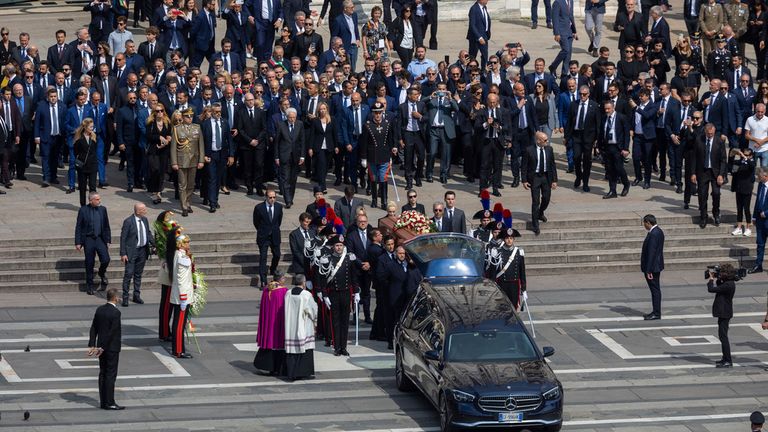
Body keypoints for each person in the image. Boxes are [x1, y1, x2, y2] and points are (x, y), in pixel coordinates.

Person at [319, 234, 359, 356]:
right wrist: (325, 295)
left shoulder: (349, 258)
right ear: (333, 247)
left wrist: (356, 292)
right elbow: (323, 279)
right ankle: (337, 347)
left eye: (341, 245)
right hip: (334, 294)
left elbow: (354, 276)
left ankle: (344, 347)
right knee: (335, 321)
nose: (339, 248)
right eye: (337, 245)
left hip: (346, 293)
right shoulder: (327, 259)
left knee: (345, 321)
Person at [87, 287, 124, 410]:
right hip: (111, 348)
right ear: (115, 298)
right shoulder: (116, 313)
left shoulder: (100, 310)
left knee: (102, 373)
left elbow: (94, 328)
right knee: (110, 375)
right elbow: (112, 332)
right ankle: (110, 402)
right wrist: (102, 347)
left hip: (101, 347)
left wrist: (93, 344)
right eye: (118, 297)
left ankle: (103, 401)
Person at [381, 245, 421, 349]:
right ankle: (391, 341)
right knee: (394, 320)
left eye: (403, 253)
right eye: (400, 253)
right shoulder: (390, 265)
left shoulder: (410, 266)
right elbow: (383, 279)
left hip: (408, 298)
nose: (402, 255)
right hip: (395, 297)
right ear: (396, 254)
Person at [359, 102, 397, 209]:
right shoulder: (367, 125)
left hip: (384, 156)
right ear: (373, 113)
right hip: (372, 157)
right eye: (376, 113)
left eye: (380, 112)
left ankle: (384, 201)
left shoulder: (387, 124)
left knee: (383, 179)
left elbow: (390, 139)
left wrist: (392, 150)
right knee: (373, 179)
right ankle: (374, 200)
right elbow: (364, 143)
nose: (378, 115)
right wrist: (363, 157)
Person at [692, 123, 728, 228]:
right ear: (705, 132)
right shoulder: (699, 140)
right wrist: (693, 173)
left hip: (715, 172)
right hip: (702, 172)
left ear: (714, 131)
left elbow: (723, 160)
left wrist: (721, 175)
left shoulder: (719, 141)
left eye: (712, 133)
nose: (710, 135)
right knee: (702, 195)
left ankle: (716, 213)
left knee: (716, 193)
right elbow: (694, 157)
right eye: (708, 134)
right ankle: (703, 216)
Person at [171, 108, 205, 217]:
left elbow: (201, 145)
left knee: (191, 184)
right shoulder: (177, 129)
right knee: (182, 185)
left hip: (193, 160)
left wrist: (201, 160)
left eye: (191, 116)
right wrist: (174, 162)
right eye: (187, 116)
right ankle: (184, 206)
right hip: (181, 160)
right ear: (183, 117)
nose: (189, 118)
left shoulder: (197, 128)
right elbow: (173, 147)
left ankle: (188, 202)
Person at [75, 193, 111, 296]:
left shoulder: (103, 209)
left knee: (106, 259)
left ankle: (101, 272)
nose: (99, 201)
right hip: (88, 238)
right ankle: (89, 285)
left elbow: (106, 226)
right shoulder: (83, 210)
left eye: (99, 199)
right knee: (89, 262)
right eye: (97, 199)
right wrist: (78, 242)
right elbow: (78, 226)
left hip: (100, 238)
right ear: (91, 201)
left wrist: (108, 239)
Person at [119, 202, 154, 307]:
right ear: (138, 211)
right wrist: (123, 253)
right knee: (128, 274)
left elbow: (148, 233)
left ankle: (136, 295)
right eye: (144, 209)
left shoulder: (145, 220)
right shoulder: (128, 221)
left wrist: (155, 244)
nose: (146, 211)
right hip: (131, 252)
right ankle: (125, 297)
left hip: (142, 251)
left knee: (138, 274)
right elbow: (123, 238)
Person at [522, 132, 557, 235]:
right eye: (545, 140)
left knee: (546, 198)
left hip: (546, 177)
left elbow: (552, 165)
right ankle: (535, 225)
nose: (547, 141)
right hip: (535, 177)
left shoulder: (549, 149)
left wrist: (554, 180)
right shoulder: (529, 150)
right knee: (535, 201)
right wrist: (524, 180)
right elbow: (524, 166)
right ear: (538, 141)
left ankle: (540, 213)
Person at [284, 273, 317, 380]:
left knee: (292, 350)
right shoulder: (306, 295)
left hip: (290, 327)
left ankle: (291, 373)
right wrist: (315, 321)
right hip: (303, 326)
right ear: (303, 283)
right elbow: (312, 311)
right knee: (304, 348)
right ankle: (303, 372)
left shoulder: (288, 293)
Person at [254, 271, 289, 374]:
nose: (285, 280)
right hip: (278, 323)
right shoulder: (283, 291)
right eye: (284, 278)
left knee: (269, 341)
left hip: (268, 322)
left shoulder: (266, 289)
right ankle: (278, 367)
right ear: (280, 279)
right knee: (278, 343)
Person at [567, 85, 599, 192]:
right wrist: (567, 136)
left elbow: (597, 123)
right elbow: (569, 121)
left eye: (584, 94)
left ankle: (585, 182)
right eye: (580, 94)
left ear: (588, 94)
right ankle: (578, 176)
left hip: (588, 137)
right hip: (576, 135)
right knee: (576, 157)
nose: (582, 96)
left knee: (586, 160)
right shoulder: (573, 104)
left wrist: (597, 139)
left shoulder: (594, 106)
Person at [486, 228, 526, 309]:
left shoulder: (519, 252)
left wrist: (524, 288)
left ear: (514, 239)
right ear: (504, 239)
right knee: (501, 307)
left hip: (514, 285)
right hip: (501, 284)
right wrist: (492, 286)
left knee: (513, 307)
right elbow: (493, 271)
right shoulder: (497, 252)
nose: (509, 240)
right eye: (507, 238)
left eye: (511, 238)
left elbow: (522, 271)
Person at [153, 210, 177, 342]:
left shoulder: (171, 228)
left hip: (172, 270)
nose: (170, 220)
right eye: (167, 218)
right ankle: (164, 332)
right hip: (168, 272)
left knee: (170, 305)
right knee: (166, 305)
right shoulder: (162, 232)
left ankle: (166, 331)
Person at [599, 99, 631, 198]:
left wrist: (626, 148)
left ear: (613, 108)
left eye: (608, 109)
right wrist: (599, 147)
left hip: (618, 147)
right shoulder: (604, 118)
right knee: (610, 169)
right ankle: (612, 190)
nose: (607, 111)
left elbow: (626, 134)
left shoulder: (621, 118)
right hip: (607, 146)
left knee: (619, 168)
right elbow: (601, 132)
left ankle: (626, 183)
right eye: (605, 109)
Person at [707, 262, 736, 368]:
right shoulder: (728, 282)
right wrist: (718, 278)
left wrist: (711, 279)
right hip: (724, 312)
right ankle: (725, 358)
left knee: (723, 337)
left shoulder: (728, 285)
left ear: (726, 274)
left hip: (725, 312)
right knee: (722, 336)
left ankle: (728, 360)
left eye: (722, 272)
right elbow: (719, 284)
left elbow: (711, 289)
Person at [170, 232, 195, 358]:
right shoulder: (182, 257)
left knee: (177, 323)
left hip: (179, 295)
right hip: (182, 297)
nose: (188, 244)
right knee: (179, 324)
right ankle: (179, 350)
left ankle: (177, 348)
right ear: (180, 244)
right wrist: (184, 297)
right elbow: (181, 279)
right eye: (186, 242)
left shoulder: (179, 254)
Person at [275, 107, 305, 208]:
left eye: (294, 117)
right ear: (287, 117)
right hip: (284, 156)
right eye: (290, 117)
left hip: (296, 156)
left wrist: (302, 156)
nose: (292, 119)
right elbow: (276, 142)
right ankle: (287, 200)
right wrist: (277, 157)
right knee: (285, 179)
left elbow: (302, 141)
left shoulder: (300, 124)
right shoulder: (281, 125)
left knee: (293, 179)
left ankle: (290, 198)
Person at [253, 187, 283, 288]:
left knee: (277, 255)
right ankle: (263, 280)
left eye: (274, 197)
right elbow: (256, 222)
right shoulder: (259, 208)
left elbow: (279, 221)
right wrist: (263, 230)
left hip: (275, 235)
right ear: (266, 197)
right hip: (263, 236)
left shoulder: (279, 207)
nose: (272, 199)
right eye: (270, 197)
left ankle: (273, 269)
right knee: (263, 257)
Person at [145, 104, 172, 205]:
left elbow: (169, 134)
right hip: (153, 150)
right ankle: (154, 189)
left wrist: (168, 139)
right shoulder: (150, 123)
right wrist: (159, 137)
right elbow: (148, 136)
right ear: (154, 113)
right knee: (154, 169)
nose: (160, 112)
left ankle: (158, 191)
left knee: (162, 171)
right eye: (157, 111)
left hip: (164, 150)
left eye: (161, 110)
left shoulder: (167, 122)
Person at [641, 214, 664, 320]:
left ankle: (656, 313)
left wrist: (648, 270)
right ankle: (656, 311)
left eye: (644, 223)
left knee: (655, 290)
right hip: (656, 266)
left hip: (653, 267)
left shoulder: (654, 234)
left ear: (648, 222)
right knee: (655, 290)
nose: (644, 225)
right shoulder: (658, 231)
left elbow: (651, 253)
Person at [73, 118, 99, 207]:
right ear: (85, 127)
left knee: (93, 187)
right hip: (82, 166)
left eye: (93, 126)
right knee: (82, 188)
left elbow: (95, 150)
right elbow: (75, 151)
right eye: (91, 127)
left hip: (92, 165)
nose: (92, 128)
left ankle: (93, 205)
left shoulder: (94, 137)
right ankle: (83, 206)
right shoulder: (79, 138)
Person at [730, 148, 756, 236]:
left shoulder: (751, 162)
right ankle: (739, 227)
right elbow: (732, 169)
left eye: (747, 154)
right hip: (739, 188)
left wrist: (745, 157)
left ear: (751, 156)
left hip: (747, 188)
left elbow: (752, 166)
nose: (744, 155)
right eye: (744, 154)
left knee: (746, 209)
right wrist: (732, 156)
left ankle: (748, 227)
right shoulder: (739, 162)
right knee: (739, 208)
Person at [550, 0, 577, 77]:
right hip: (561, 31)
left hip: (569, 31)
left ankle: (564, 73)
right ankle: (553, 66)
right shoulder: (557, 2)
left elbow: (571, 16)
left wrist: (574, 31)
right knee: (566, 50)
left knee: (568, 54)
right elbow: (554, 18)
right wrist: (556, 33)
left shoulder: (571, 1)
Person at [751, 168, 768, 273]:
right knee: (760, 244)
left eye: (760, 177)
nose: (758, 178)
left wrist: (765, 213)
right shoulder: (760, 185)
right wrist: (754, 216)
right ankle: (758, 265)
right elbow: (758, 201)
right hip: (760, 222)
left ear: (766, 176)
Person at [467, 0, 491, 70]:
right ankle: (471, 71)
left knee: (484, 56)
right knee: (472, 56)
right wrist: (479, 37)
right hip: (476, 38)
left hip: (485, 35)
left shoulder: (484, 7)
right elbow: (472, 25)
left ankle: (484, 71)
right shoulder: (474, 9)